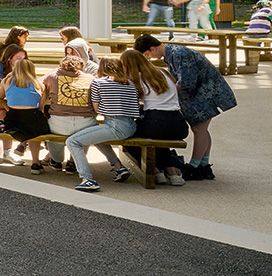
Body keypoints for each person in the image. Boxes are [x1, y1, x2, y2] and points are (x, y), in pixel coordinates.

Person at [135, 34, 236, 180]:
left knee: (198, 129)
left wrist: (164, 93)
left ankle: (194, 167)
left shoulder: (179, 54)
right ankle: (203, 165)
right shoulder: (172, 54)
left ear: (152, 48)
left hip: (207, 93)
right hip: (204, 92)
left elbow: (187, 81)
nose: (148, 58)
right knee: (202, 130)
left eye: (147, 54)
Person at [65, 57, 140, 192]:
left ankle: (87, 178)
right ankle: (118, 167)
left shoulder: (98, 83)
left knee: (72, 142)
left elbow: (96, 109)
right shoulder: (130, 84)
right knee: (96, 136)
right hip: (131, 126)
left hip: (114, 124)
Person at [41, 56, 121, 176]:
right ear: (81, 66)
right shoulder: (90, 78)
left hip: (59, 124)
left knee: (55, 149)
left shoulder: (52, 76)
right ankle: (73, 162)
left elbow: (39, 88)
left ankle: (56, 161)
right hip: (85, 123)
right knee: (89, 134)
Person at [119, 48, 188, 186]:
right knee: (159, 140)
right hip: (179, 123)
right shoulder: (164, 73)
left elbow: (132, 105)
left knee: (127, 135)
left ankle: (156, 170)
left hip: (155, 121)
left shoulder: (137, 78)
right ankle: (172, 171)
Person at [0, 52, 50, 172]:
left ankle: (22, 144)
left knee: (29, 128)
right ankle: (36, 163)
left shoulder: (7, 81)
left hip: (12, 120)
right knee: (36, 131)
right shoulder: (38, 84)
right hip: (32, 118)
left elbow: (0, 95)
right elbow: (41, 108)